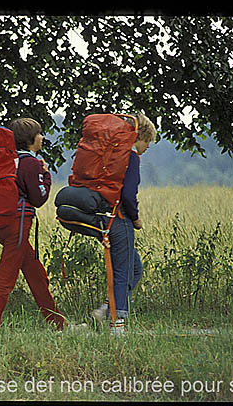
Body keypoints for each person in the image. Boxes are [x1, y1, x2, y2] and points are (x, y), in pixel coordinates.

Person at [0, 118, 67, 331]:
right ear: (31, 139)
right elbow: (38, 198)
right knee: (6, 276)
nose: (42, 138)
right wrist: (45, 176)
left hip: (0, 223)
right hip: (18, 223)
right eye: (39, 134)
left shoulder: (6, 160)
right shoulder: (31, 163)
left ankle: (57, 323)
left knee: (35, 273)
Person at [92, 112, 157, 334]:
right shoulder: (130, 157)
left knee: (134, 267)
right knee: (123, 272)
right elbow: (129, 194)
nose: (148, 147)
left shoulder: (108, 155)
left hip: (101, 217)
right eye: (148, 141)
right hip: (119, 218)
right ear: (140, 137)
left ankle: (106, 309)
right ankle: (116, 328)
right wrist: (136, 218)